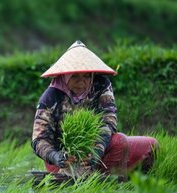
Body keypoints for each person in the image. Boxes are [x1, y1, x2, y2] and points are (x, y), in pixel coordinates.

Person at [31, 40, 158, 176]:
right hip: (65, 160)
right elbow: (38, 140)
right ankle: (99, 179)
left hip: (97, 152)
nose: (82, 82)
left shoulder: (101, 85)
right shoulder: (51, 96)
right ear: (65, 76)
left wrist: (96, 150)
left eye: (86, 76)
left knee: (146, 144)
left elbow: (108, 121)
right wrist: (57, 157)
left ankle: (108, 178)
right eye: (75, 76)